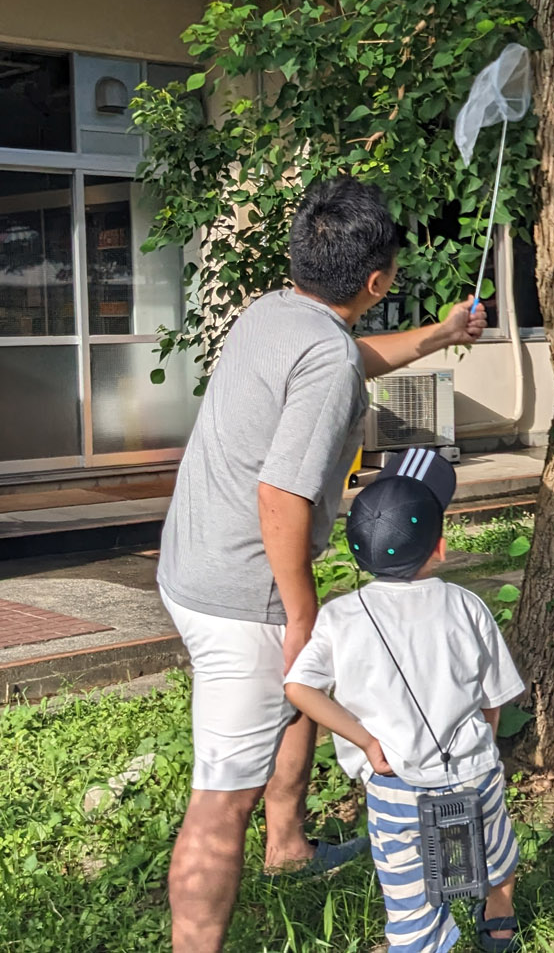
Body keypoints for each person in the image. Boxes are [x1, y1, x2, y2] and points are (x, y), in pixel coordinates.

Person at [155, 175, 485, 953]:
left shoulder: (275, 313)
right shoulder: (326, 358)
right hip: (241, 594)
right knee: (218, 801)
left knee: (310, 688)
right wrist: (299, 614)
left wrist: (441, 334)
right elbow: (281, 496)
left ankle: (289, 843)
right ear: (377, 281)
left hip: (191, 558)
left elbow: (347, 356)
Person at [284, 449, 526, 953]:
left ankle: (419, 942)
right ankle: (498, 916)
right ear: (439, 547)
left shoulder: (341, 617)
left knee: (409, 894)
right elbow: (493, 698)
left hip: (396, 786)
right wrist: (479, 741)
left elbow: (299, 687)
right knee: (498, 856)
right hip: (473, 772)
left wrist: (368, 742)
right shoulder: (466, 604)